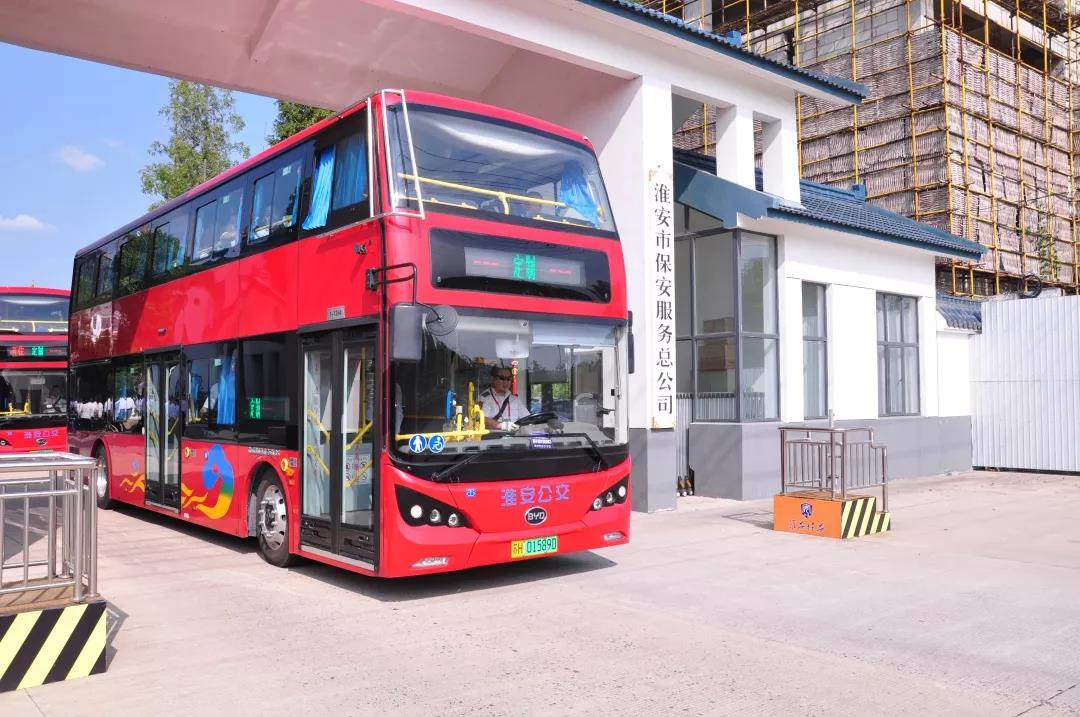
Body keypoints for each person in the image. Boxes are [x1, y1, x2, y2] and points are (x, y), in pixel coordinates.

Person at [479, 366, 528, 430]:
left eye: (508, 379)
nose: (506, 382)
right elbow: (481, 419)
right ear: (493, 379)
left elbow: (526, 418)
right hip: (493, 435)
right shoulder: (485, 398)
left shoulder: (515, 399)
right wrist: (502, 426)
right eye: (502, 378)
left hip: (514, 434)